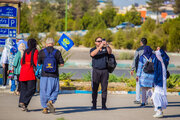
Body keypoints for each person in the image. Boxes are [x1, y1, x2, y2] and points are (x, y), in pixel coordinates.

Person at [38, 38, 64, 114]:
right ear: (53, 43)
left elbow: (39, 63)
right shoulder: (57, 52)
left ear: (46, 44)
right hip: (54, 75)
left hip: (44, 74)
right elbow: (62, 64)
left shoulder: (42, 52)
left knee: (43, 91)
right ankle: (51, 100)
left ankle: (44, 108)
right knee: (55, 89)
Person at [90, 37, 112, 110]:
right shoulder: (93, 49)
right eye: (98, 41)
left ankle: (103, 105)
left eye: (101, 41)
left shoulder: (105, 49)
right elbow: (92, 54)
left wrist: (107, 45)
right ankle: (94, 105)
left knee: (104, 89)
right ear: (95, 42)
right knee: (94, 89)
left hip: (104, 71)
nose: (100, 42)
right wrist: (99, 46)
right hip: (96, 71)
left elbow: (110, 52)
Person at [19, 38, 38, 112]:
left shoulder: (25, 51)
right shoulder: (35, 51)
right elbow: (36, 62)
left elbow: (21, 61)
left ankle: (23, 104)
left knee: (23, 89)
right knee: (32, 89)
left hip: (23, 71)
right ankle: (24, 101)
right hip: (30, 72)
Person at [152, 47, 169, 118]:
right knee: (157, 96)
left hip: (160, 82)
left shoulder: (162, 63)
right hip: (158, 82)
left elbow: (164, 56)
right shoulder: (160, 62)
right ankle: (159, 111)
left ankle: (159, 111)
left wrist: (160, 50)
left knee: (156, 96)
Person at [131, 38, 147, 104]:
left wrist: (132, 69)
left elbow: (135, 59)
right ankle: (145, 100)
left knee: (138, 84)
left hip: (139, 70)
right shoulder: (150, 50)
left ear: (141, 42)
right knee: (146, 85)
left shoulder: (138, 50)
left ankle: (138, 99)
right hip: (149, 70)